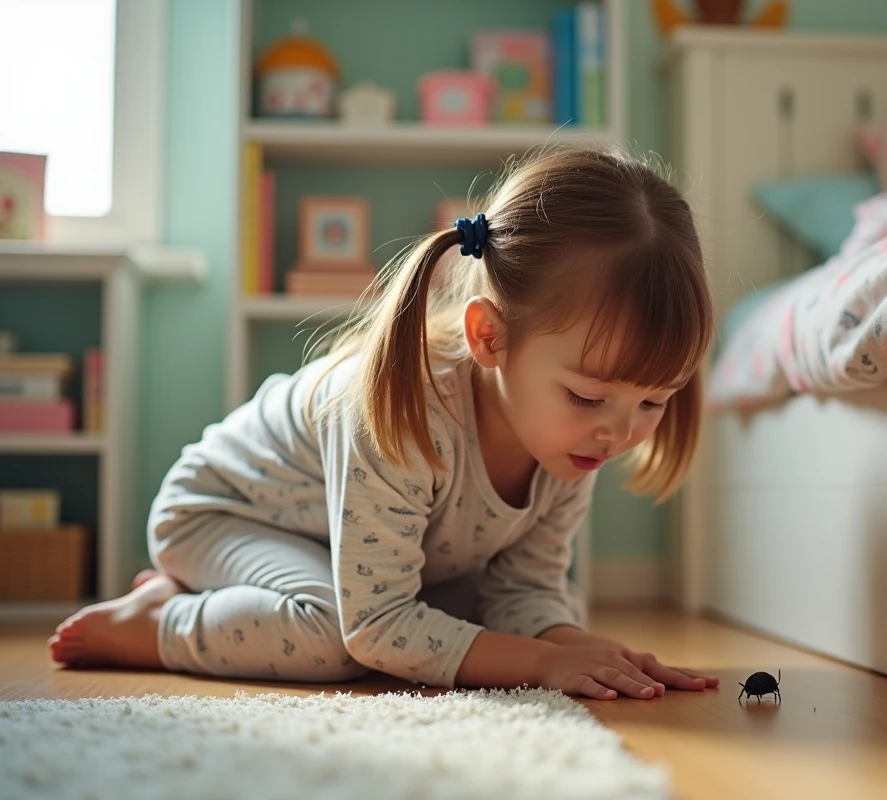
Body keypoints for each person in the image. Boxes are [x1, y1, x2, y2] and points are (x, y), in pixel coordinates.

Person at [49, 147, 719, 701]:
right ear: (490, 336)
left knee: (505, 619)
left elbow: (525, 591)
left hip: (350, 549)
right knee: (334, 640)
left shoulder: (572, 436)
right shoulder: (403, 411)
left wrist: (584, 651)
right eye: (588, 397)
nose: (621, 433)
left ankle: (226, 599)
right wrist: (543, 664)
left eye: (654, 402)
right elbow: (375, 625)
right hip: (226, 516)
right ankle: (156, 621)